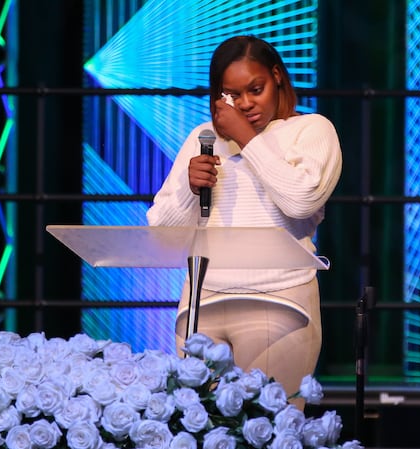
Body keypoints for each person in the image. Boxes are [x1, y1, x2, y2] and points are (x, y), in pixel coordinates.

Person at [146, 35, 342, 406]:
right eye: (231, 95)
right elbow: (161, 233)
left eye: (256, 89)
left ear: (277, 76)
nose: (245, 104)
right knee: (200, 430)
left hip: (278, 301)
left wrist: (246, 139)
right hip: (203, 302)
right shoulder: (202, 139)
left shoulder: (312, 130)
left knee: (265, 429)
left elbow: (300, 201)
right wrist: (190, 187)